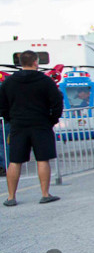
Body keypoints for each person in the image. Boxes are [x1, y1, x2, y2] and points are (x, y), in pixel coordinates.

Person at [0, 51, 63, 206]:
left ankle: (11, 197)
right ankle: (45, 194)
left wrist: (10, 119)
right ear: (36, 62)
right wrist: (52, 119)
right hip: (41, 124)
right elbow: (57, 101)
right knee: (42, 159)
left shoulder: (9, 82)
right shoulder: (45, 81)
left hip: (18, 125)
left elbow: (2, 105)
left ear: (21, 63)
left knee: (15, 161)